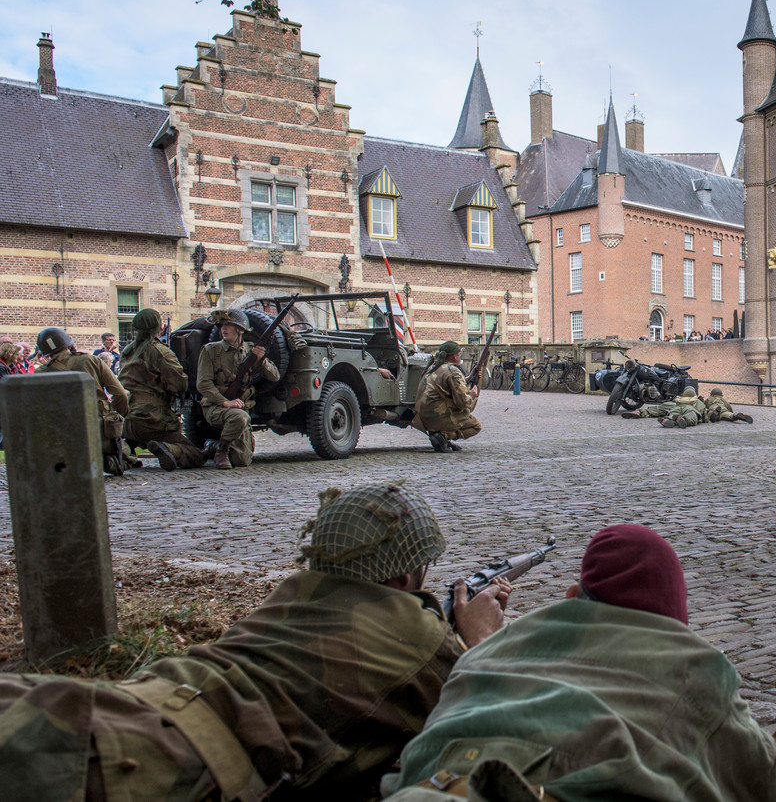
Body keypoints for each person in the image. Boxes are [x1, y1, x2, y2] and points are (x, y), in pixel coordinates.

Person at [0, 482, 513, 802]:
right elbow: (485, 723)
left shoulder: (290, 599)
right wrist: (478, 642)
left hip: (112, 703)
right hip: (148, 763)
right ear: (405, 581)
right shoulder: (421, 643)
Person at [382, 524, 776, 802]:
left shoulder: (484, 655)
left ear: (571, 597)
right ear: (676, 630)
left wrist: (479, 642)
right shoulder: (694, 672)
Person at [37, 325, 136, 475]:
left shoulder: (41, 372)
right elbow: (121, 393)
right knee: (128, 459)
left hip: (61, 433)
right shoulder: (91, 361)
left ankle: (74, 461)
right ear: (69, 345)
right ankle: (101, 460)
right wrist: (120, 415)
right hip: (99, 428)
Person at [118, 307, 205, 471]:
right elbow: (179, 384)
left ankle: (124, 452)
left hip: (126, 419)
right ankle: (167, 448)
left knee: (135, 436)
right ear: (159, 327)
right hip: (150, 419)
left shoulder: (127, 351)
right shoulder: (159, 351)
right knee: (196, 454)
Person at [196, 309, 279, 469]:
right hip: (215, 407)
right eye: (221, 325)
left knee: (242, 460)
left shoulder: (250, 351)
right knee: (239, 417)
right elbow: (203, 384)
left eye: (229, 325)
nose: (223, 328)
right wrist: (225, 402)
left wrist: (262, 361)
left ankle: (212, 445)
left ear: (240, 329)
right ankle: (221, 450)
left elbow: (274, 376)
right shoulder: (210, 350)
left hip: (240, 409)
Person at [411, 341, 482, 453]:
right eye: (459, 354)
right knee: (475, 426)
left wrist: (467, 379)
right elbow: (463, 403)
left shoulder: (434, 368)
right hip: (437, 416)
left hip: (423, 415)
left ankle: (442, 437)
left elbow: (447, 384)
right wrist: (472, 395)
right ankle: (443, 436)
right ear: (454, 356)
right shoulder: (453, 371)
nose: (460, 357)